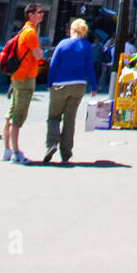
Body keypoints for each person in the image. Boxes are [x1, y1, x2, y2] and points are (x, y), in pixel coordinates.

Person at [43, 18, 97, 164]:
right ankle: (66, 153)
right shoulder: (86, 46)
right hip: (79, 85)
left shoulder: (62, 44)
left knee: (54, 116)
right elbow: (89, 68)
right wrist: (94, 86)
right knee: (69, 119)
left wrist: (49, 83)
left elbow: (53, 66)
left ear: (72, 30)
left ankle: (52, 143)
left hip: (60, 84)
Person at [2, 3, 45, 164]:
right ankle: (15, 153)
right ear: (30, 15)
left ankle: (7, 150)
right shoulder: (31, 33)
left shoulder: (23, 31)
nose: (42, 15)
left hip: (17, 76)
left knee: (11, 113)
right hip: (26, 77)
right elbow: (38, 55)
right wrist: (41, 52)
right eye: (39, 12)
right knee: (18, 116)